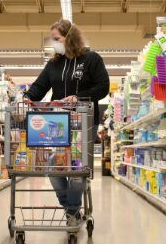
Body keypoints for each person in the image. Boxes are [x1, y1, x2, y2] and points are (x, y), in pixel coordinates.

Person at [23, 19, 110, 225]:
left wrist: (78, 96)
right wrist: (27, 97)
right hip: (58, 125)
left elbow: (103, 87)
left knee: (78, 171)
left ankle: (71, 214)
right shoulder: (54, 64)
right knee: (54, 169)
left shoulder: (91, 59)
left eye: (57, 39)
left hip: (85, 123)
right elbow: (39, 86)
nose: (54, 43)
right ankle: (71, 209)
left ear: (69, 37)